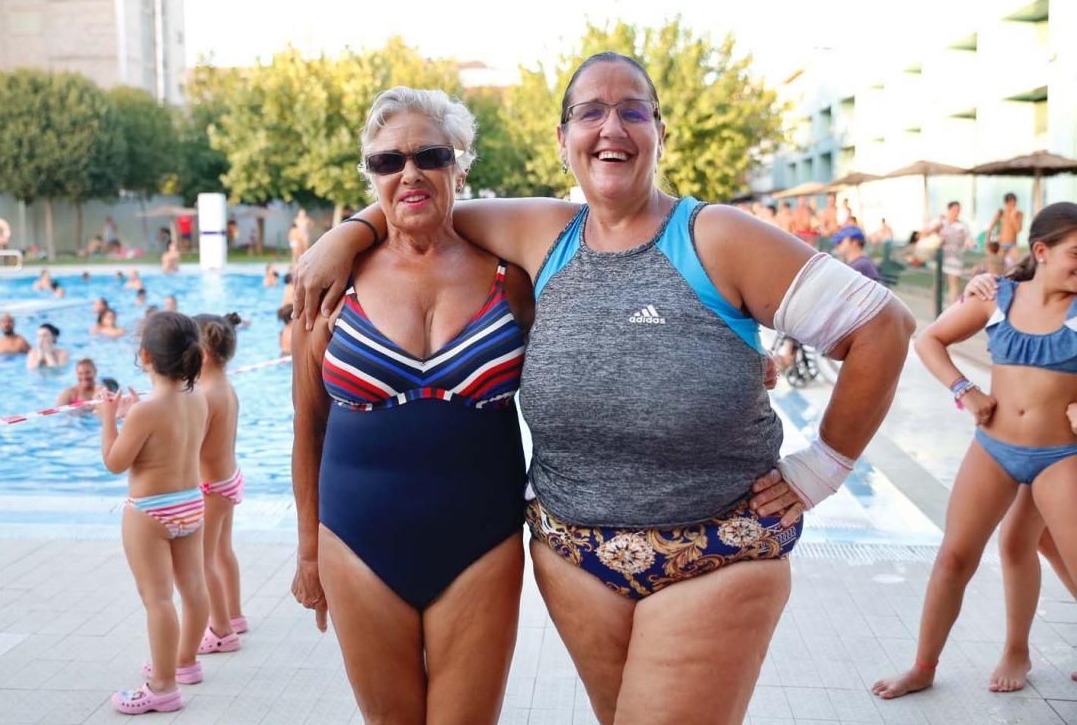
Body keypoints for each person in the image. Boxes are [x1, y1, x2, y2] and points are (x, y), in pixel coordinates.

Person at [295, 61, 915, 723]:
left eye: (632, 111)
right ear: (564, 139)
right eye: (590, 112)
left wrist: (823, 467)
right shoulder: (544, 235)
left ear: (660, 131)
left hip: (708, 554)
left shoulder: (708, 237)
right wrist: (349, 233)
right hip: (576, 565)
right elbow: (416, 201)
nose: (610, 127)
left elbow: (882, 327)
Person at [291, 87, 536, 722]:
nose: (409, 173)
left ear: (460, 163)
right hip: (355, 542)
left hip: (482, 543)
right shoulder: (331, 284)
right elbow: (308, 424)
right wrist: (308, 550)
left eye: (429, 154)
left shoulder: (511, 277)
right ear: (369, 173)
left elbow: (577, 375)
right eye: (387, 162)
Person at [873, 202, 1077, 700]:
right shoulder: (998, 296)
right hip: (994, 449)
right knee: (954, 558)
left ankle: (1016, 650)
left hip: (1060, 457)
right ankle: (922, 666)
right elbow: (930, 341)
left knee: (1047, 552)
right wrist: (966, 391)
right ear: (1042, 251)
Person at [96, 311, 209, 714]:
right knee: (193, 588)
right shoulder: (198, 399)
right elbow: (169, 440)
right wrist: (130, 417)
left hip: (150, 513)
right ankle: (185, 663)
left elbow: (115, 461)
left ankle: (162, 687)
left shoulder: (144, 411)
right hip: (191, 505)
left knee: (158, 600)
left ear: (145, 356)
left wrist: (110, 420)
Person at [193, 313, 248, 654]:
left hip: (210, 489)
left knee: (204, 560)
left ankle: (222, 631)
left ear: (203, 354)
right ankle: (235, 614)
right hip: (229, 480)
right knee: (223, 552)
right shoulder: (224, 388)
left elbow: (192, 444)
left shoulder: (203, 396)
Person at [922, 201, 972, 304]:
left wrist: (969, 243)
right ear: (948, 210)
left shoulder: (962, 225)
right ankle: (936, 307)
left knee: (954, 284)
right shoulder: (941, 222)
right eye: (954, 210)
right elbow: (925, 233)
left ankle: (953, 310)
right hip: (942, 258)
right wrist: (936, 227)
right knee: (938, 284)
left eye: (958, 210)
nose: (956, 212)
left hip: (956, 257)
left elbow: (968, 239)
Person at [988, 192, 1024, 267]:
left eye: (1014, 202)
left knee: (1015, 266)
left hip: (1013, 245)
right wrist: (987, 244)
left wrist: (1013, 217)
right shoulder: (1001, 213)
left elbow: (1018, 230)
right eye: (1010, 203)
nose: (1013, 205)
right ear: (1006, 203)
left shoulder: (1019, 214)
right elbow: (990, 228)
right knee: (999, 267)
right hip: (1000, 245)